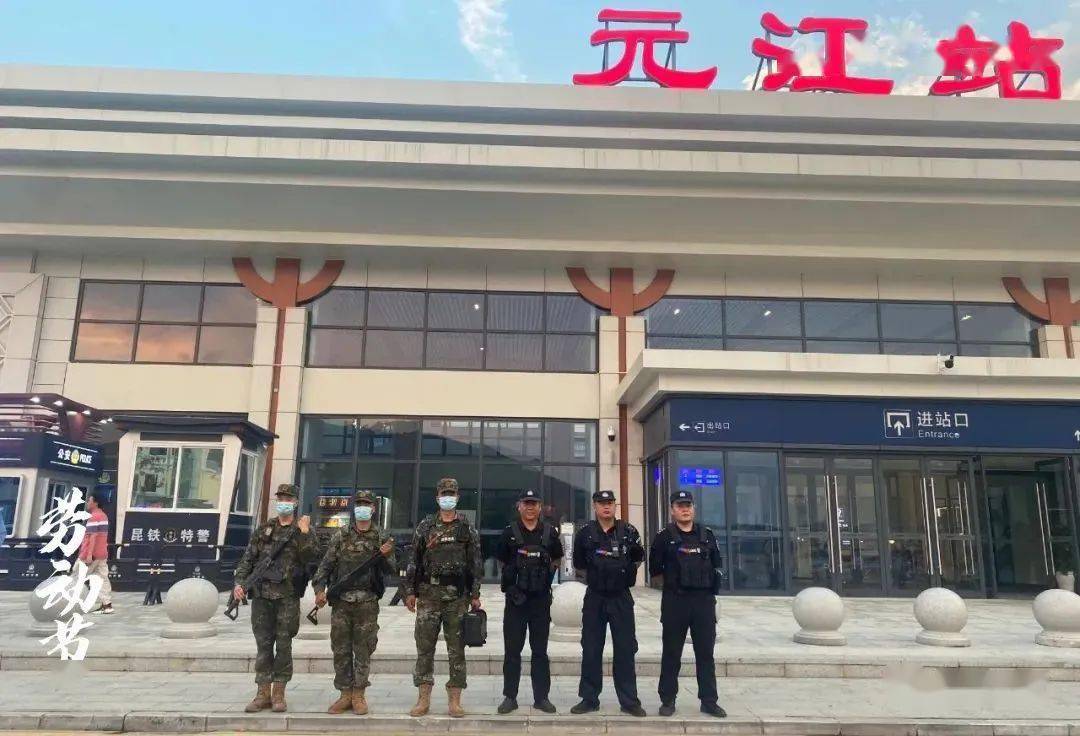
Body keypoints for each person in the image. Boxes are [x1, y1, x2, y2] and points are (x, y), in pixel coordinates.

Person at [403, 478, 482, 718]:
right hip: (429, 596)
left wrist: (475, 593)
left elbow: (475, 562)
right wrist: (409, 591)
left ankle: (454, 700)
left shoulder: (466, 528)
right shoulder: (426, 526)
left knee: (456, 650)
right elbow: (413, 560)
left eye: (452, 494)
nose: (448, 498)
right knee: (424, 648)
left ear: (457, 497)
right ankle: (423, 698)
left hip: (457, 598)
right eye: (444, 494)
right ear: (437, 498)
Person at [233, 484, 315, 713]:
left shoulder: (303, 530)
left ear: (295, 503)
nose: (283, 502)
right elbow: (248, 559)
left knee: (284, 645)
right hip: (262, 597)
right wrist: (239, 583)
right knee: (263, 645)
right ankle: (262, 693)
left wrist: (305, 533)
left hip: (287, 597)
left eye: (288, 499)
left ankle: (279, 693)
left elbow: (310, 558)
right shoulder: (264, 529)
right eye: (281, 499)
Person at [312, 489, 395, 715]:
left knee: (363, 649)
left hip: (367, 602)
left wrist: (385, 555)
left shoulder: (381, 537)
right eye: (359, 504)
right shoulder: (341, 535)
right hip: (341, 602)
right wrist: (319, 590)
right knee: (340, 649)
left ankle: (359, 694)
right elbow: (325, 567)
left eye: (366, 504)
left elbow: (392, 570)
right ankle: (345, 694)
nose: (362, 508)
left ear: (373, 508)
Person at [649, 490, 727, 718]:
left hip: (703, 602)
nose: (685, 509)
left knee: (705, 654)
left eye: (688, 505)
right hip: (676, 601)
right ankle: (668, 700)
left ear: (694, 508)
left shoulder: (707, 535)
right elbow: (655, 571)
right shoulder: (664, 537)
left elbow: (717, 564)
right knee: (671, 653)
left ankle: (709, 701)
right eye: (680, 506)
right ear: (672, 510)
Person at [570, 489, 646, 717]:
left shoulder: (629, 531)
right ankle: (589, 698)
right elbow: (579, 563)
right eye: (601, 503)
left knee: (625, 649)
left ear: (615, 506)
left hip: (621, 597)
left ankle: (629, 701)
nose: (606, 507)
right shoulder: (585, 533)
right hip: (595, 597)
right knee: (591, 648)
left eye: (610, 503)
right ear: (594, 506)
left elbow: (638, 558)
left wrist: (618, 574)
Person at [495, 488, 564, 714]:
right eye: (526, 503)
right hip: (516, 602)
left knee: (540, 651)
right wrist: (513, 583)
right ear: (519, 506)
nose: (530, 507)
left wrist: (543, 579)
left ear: (540, 507)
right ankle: (510, 697)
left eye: (534, 503)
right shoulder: (509, 532)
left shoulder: (550, 532)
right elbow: (501, 561)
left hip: (540, 602)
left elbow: (557, 558)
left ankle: (541, 697)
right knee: (512, 651)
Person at [79, 491, 113, 614]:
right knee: (102, 578)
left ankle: (68, 603)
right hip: (102, 553)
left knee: (76, 577)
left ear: (95, 503)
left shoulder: (93, 517)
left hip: (91, 554)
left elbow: (92, 536)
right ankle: (107, 605)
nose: (87, 502)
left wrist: (88, 555)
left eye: (89, 500)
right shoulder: (104, 516)